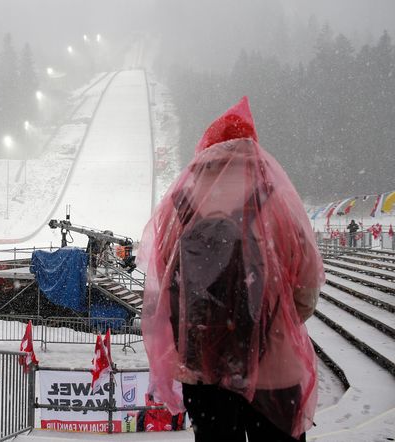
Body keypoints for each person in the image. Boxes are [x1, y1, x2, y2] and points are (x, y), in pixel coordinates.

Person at [138, 97, 324, 442]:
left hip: (203, 372)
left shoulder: (180, 208)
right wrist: (259, 329)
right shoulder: (278, 204)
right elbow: (306, 295)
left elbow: (161, 292)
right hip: (274, 374)